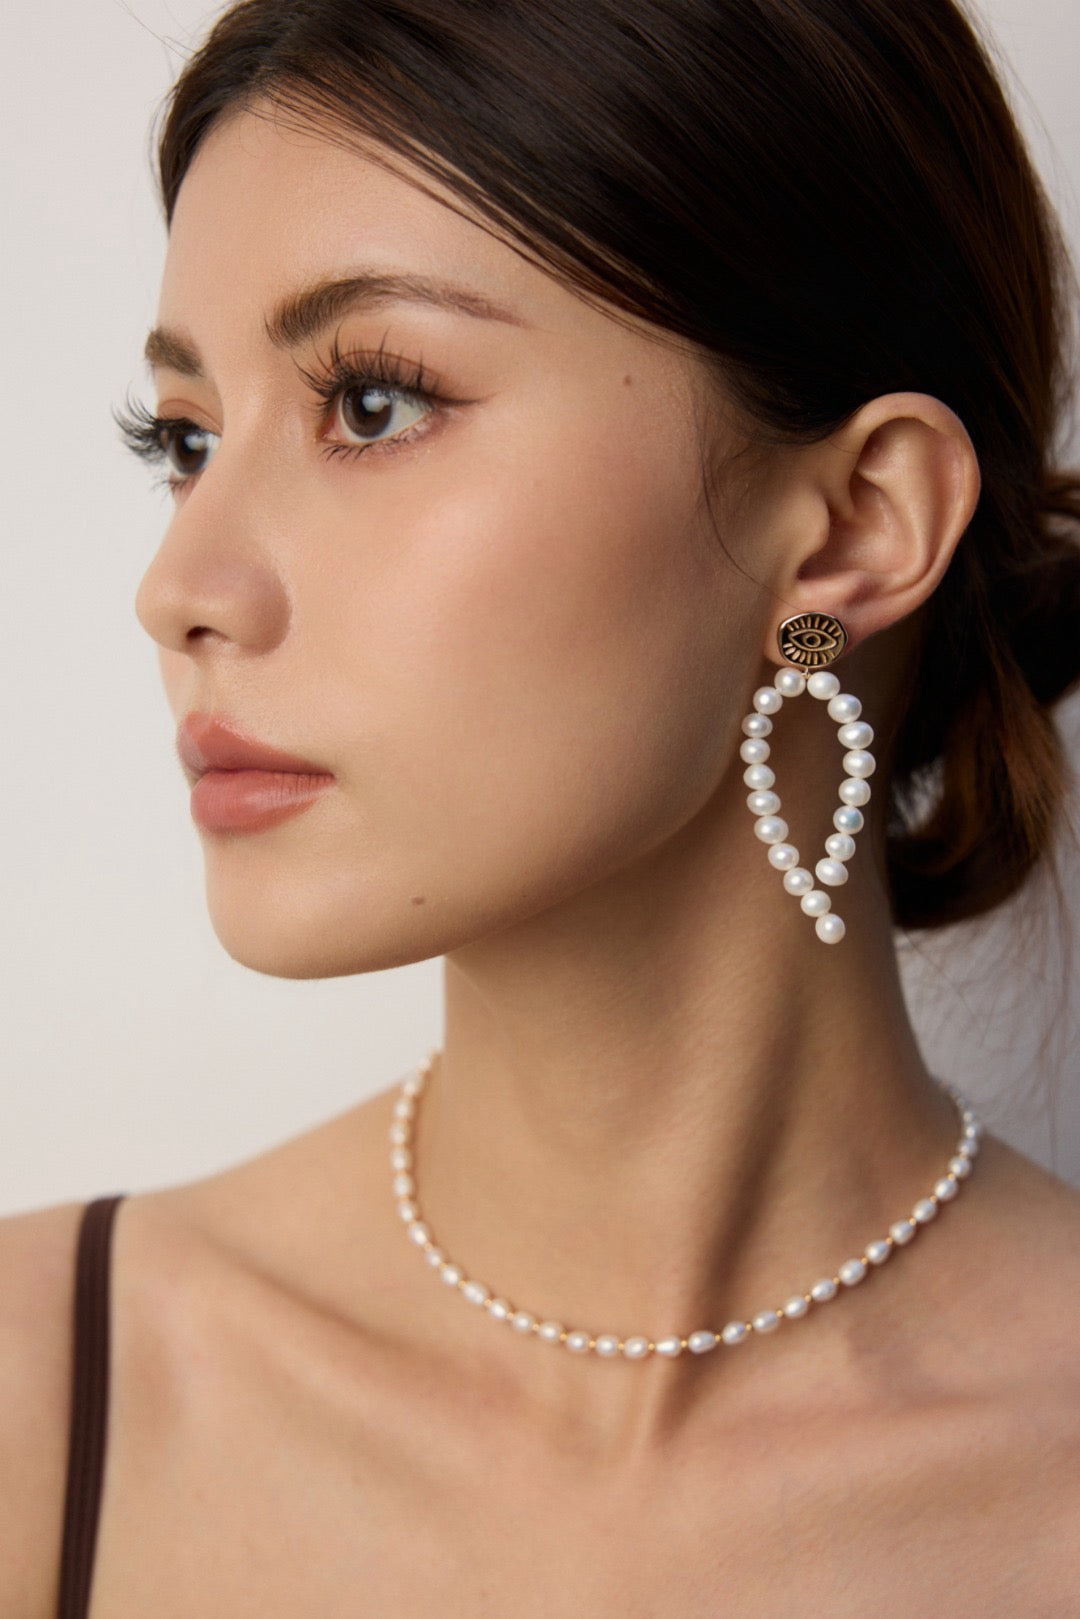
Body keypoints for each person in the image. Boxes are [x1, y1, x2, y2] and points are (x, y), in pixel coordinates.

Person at [4, 0, 1080, 1611]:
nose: (181, 587)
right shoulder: (43, 1401)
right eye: (187, 437)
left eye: (371, 403)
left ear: (856, 525)